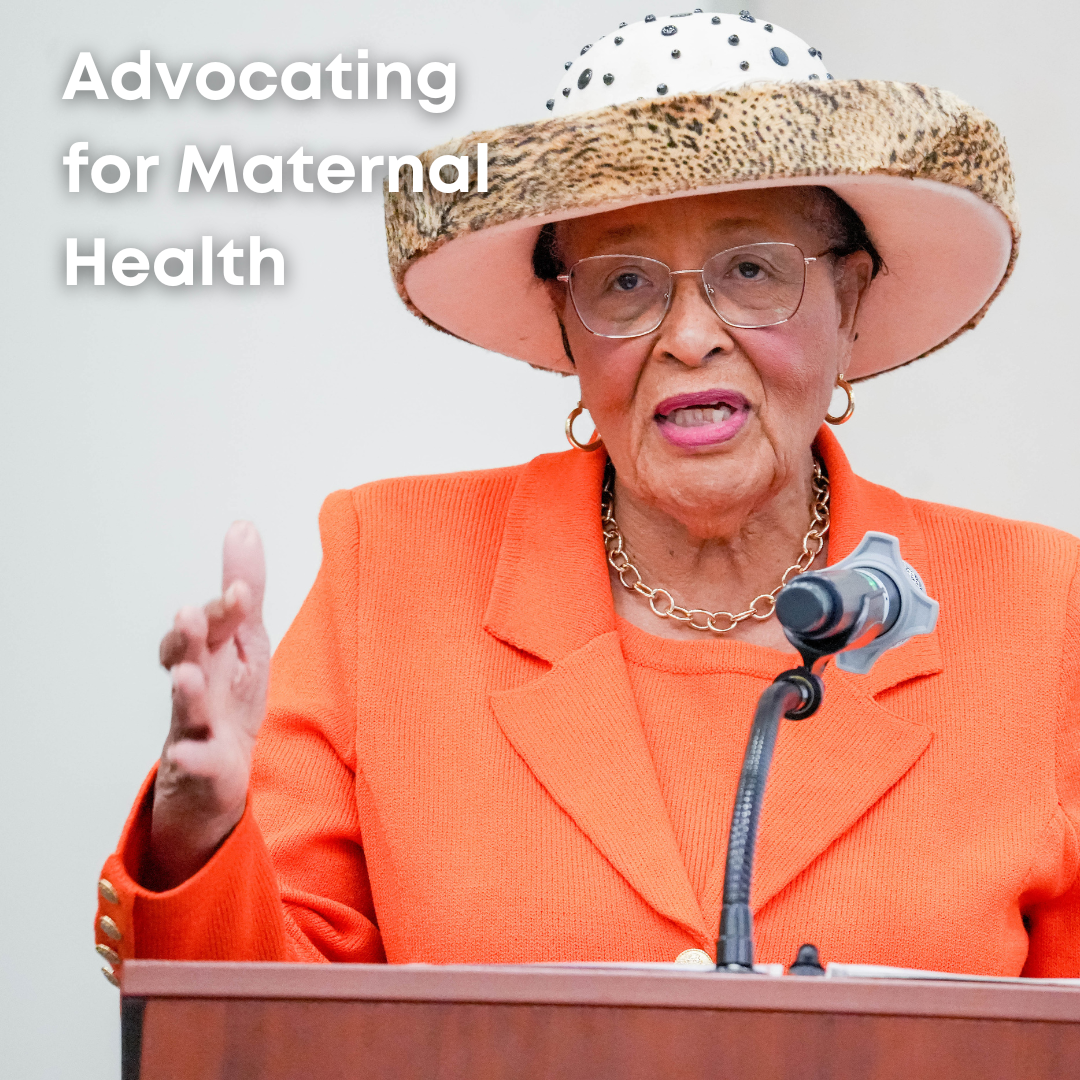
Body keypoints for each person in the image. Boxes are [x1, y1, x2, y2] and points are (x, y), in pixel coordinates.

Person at [94, 12, 1080, 985]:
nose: (690, 335)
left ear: (851, 301)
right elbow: (265, 1026)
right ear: (567, 328)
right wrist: (197, 831)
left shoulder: (1042, 611)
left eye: (750, 270)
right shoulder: (389, 571)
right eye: (624, 283)